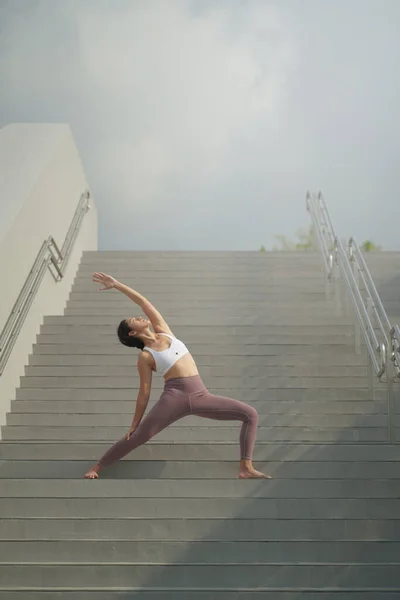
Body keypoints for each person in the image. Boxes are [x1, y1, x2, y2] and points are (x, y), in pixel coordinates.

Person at [84, 272, 269, 479]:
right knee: (139, 436)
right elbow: (144, 392)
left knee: (250, 414)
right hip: (174, 398)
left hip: (202, 396)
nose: (137, 316)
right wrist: (135, 423)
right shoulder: (145, 357)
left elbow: (143, 302)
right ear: (131, 333)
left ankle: (245, 467)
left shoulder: (164, 331)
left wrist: (117, 285)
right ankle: (97, 467)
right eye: (132, 320)